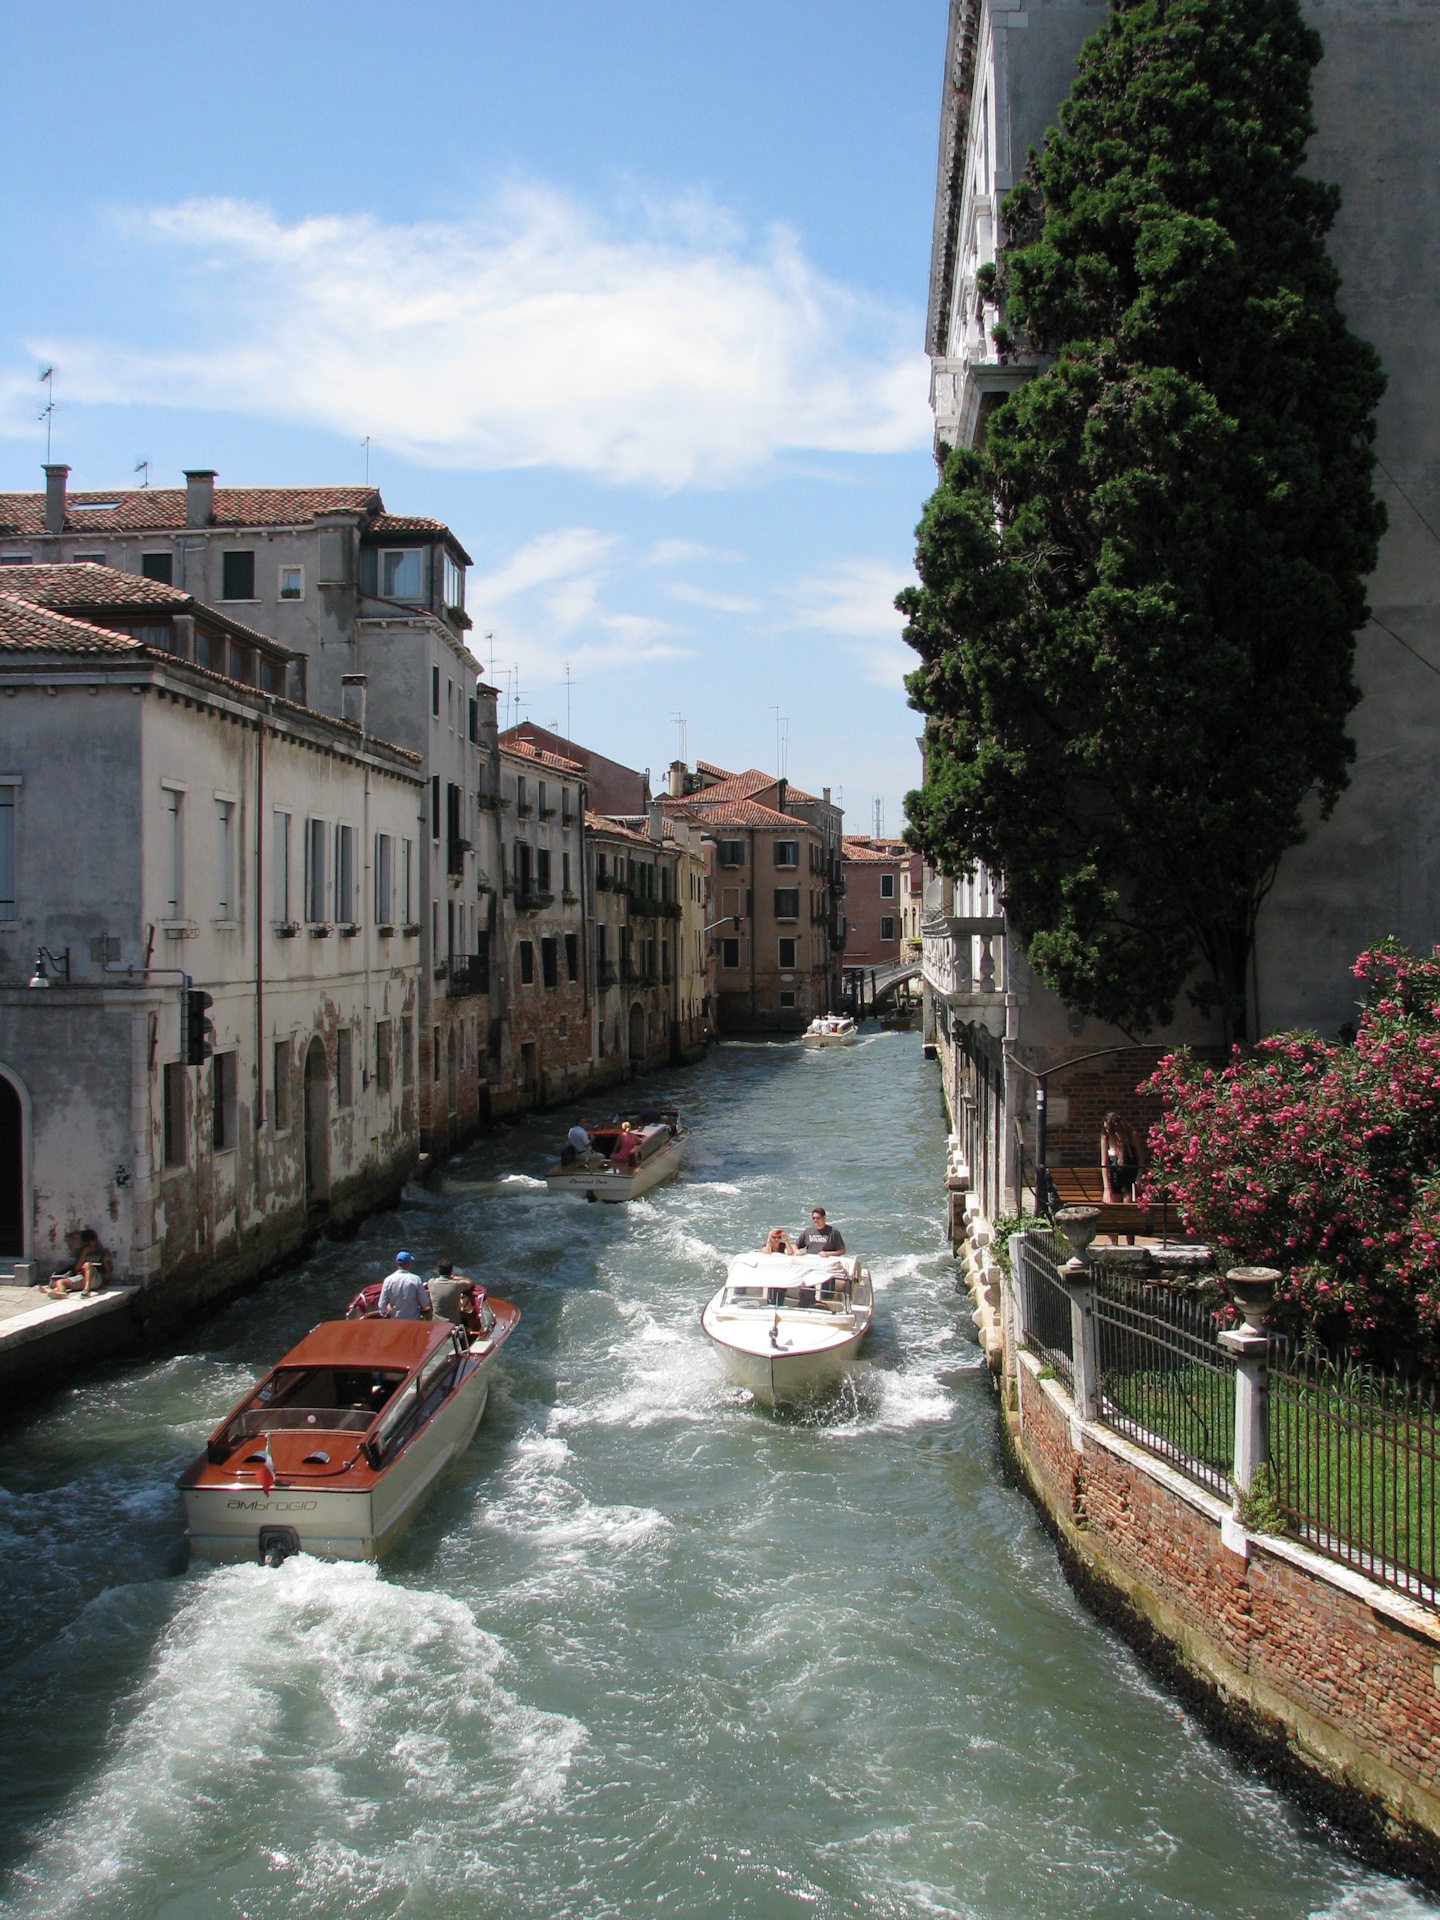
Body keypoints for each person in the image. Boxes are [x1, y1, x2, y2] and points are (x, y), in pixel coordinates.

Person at [1101, 1110, 1143, 1247]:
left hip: (1128, 1175)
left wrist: (1138, 1178)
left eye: (1109, 1130)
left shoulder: (1131, 1136)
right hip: (1114, 1177)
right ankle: (1114, 1244)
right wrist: (1106, 1189)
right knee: (1112, 1211)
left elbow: (1141, 1159)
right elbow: (1104, 1164)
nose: (1107, 1132)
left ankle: (1130, 1244)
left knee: (1128, 1210)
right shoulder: (1105, 1139)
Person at [43, 1227, 110, 1298]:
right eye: (88, 1242)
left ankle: (86, 1290)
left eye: (92, 1241)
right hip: (82, 1277)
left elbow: (108, 1271)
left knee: (87, 1264)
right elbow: (77, 1268)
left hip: (96, 1278)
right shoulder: (82, 1251)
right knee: (60, 1282)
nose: (91, 1244)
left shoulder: (101, 1252)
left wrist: (105, 1262)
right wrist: (83, 1254)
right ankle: (61, 1293)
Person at [378, 1250, 432, 1320]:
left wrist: (385, 1313)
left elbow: (381, 1305)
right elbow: (425, 1303)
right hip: (414, 1321)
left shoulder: (388, 1280)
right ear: (409, 1264)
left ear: (396, 1263)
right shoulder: (416, 1279)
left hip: (396, 1322)